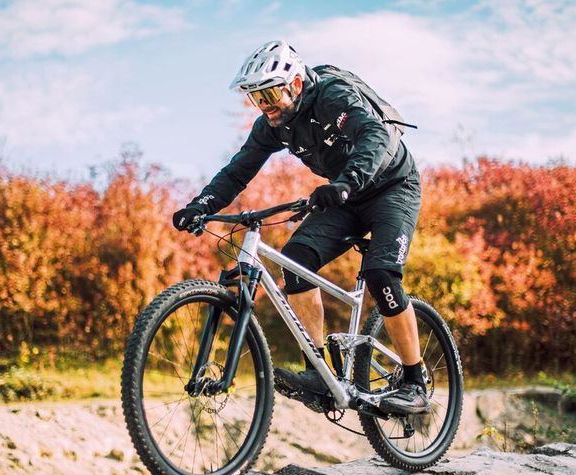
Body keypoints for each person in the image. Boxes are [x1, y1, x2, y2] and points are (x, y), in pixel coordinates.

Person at [172, 40, 428, 414]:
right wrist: (203, 204)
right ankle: (319, 372)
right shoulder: (273, 125)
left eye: (271, 93)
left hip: (392, 187)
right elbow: (239, 169)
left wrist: (346, 181)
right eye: (258, 99)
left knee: (381, 276)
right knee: (295, 263)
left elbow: (375, 135)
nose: (266, 104)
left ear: (294, 83)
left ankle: (414, 382)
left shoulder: (332, 95)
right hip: (344, 196)